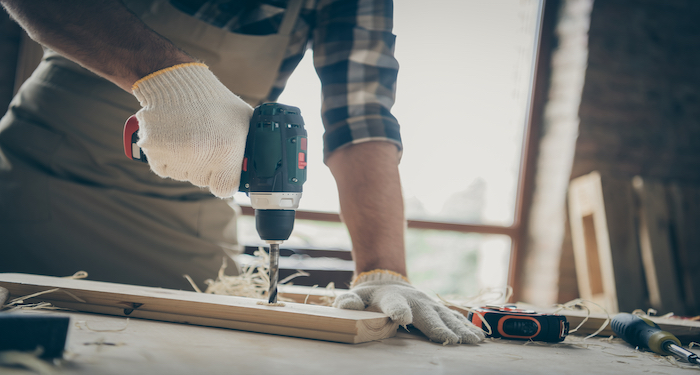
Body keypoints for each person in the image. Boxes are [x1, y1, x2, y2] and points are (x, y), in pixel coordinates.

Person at [0, 0, 484, 345]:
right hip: (42, 177)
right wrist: (172, 80)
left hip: (187, 214)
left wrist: (383, 269)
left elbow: (361, 118)